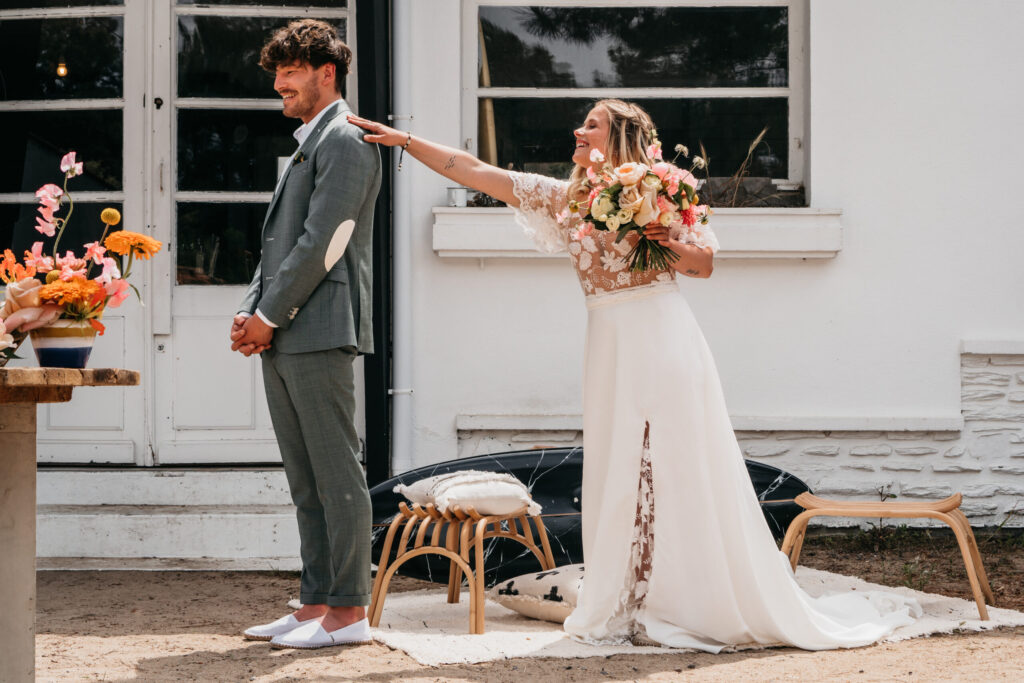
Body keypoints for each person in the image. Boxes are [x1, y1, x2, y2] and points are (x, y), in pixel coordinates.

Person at [347, 100, 921, 652]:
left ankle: (690, 598)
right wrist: (404, 141)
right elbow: (476, 170)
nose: (578, 132)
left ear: (619, 137)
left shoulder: (661, 189)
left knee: (672, 462)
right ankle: (631, 596)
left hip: (663, 334)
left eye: (590, 125)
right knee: (621, 465)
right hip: (608, 340)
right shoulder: (564, 199)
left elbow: (704, 265)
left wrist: (663, 240)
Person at [231, 20, 381, 650]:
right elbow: (279, 243)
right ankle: (316, 601)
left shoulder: (345, 140)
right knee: (305, 477)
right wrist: (251, 311)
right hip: (287, 329)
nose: (279, 84)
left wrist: (270, 316)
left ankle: (349, 613)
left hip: (319, 329)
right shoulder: (308, 142)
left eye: (290, 71)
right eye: (276, 73)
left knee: (336, 474)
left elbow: (324, 243)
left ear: (328, 72)